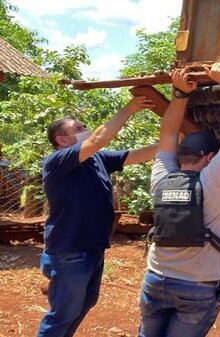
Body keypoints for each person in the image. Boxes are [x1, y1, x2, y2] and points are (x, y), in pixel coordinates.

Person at [138, 62, 220, 337]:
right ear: (210, 158)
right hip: (195, 288)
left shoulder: (162, 178)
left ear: (181, 155)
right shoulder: (215, 181)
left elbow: (167, 133)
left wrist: (180, 94)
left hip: (155, 280)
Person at [38, 96, 157, 337]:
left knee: (84, 304)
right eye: (78, 129)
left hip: (92, 247)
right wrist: (130, 107)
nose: (86, 130)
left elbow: (137, 155)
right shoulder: (57, 161)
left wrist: (173, 141)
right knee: (62, 314)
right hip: (70, 250)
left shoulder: (97, 159)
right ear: (61, 140)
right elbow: (98, 139)